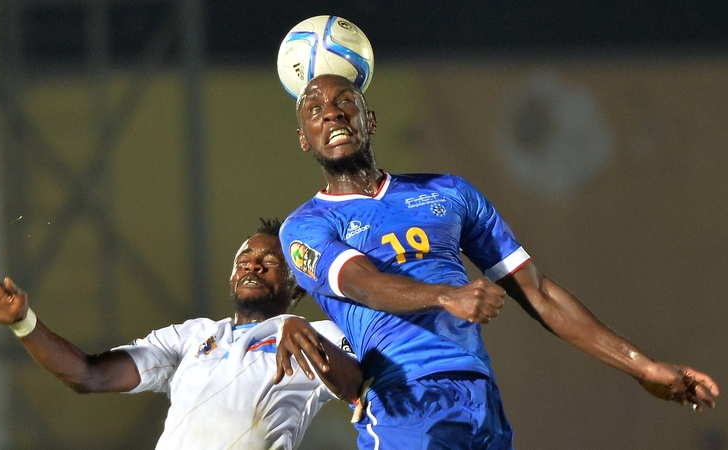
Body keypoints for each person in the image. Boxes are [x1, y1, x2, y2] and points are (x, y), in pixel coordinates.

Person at [276, 74, 719, 450]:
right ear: (303, 139)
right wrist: (446, 295)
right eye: (314, 110)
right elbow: (364, 285)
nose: (332, 113)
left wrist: (642, 366)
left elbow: (539, 293)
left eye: (345, 102)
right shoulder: (305, 227)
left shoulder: (449, 192)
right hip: (404, 400)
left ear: (368, 120)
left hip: (480, 402)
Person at [0, 218, 363, 450]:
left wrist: (312, 340)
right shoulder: (191, 337)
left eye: (270, 261)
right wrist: (25, 321)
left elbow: (363, 380)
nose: (252, 266)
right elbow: (88, 375)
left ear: (295, 287)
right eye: (244, 259)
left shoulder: (315, 333)